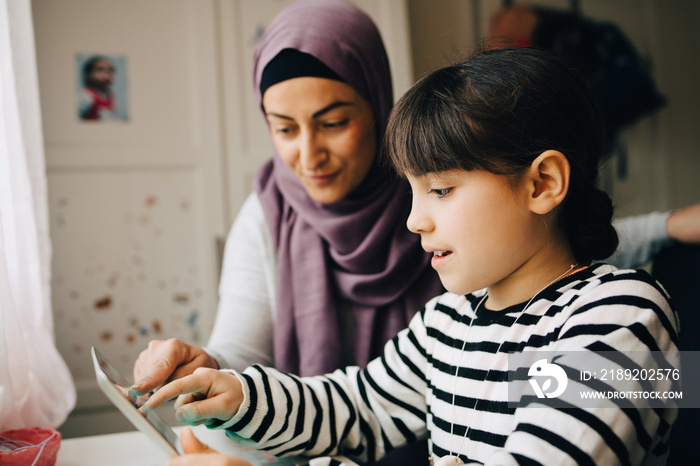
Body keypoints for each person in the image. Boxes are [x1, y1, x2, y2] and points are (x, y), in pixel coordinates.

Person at [145, 47, 680, 466]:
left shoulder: (621, 315)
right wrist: (239, 394)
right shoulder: (446, 321)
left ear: (542, 183)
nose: (414, 220)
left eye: (441, 190)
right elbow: (358, 409)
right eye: (412, 191)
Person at [78, 55, 117, 121]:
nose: (107, 74)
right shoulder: (86, 95)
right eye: (100, 69)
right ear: (88, 74)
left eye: (110, 70)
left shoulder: (111, 96)